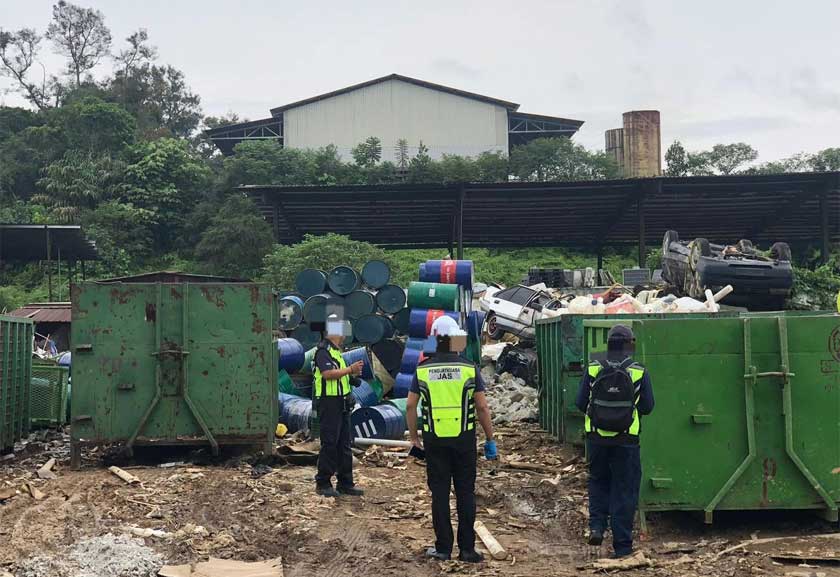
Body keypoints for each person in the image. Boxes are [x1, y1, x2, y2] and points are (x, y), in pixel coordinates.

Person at [406, 316, 497, 564]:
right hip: (464, 441)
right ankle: (467, 550)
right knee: (465, 493)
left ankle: (443, 548)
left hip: (435, 441)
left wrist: (415, 438)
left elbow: (411, 406)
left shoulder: (423, 370)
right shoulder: (469, 369)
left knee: (440, 494)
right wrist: (490, 438)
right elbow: (482, 407)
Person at [575, 324, 654, 558]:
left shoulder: (593, 367)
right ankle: (622, 546)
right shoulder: (638, 371)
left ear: (608, 343)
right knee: (625, 489)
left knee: (598, 481)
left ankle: (597, 527)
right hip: (627, 440)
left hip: (597, 438)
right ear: (630, 344)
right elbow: (648, 407)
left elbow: (580, 402)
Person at [313, 313, 365, 497]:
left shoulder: (337, 352)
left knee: (344, 444)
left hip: (342, 403)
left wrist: (352, 376)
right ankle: (323, 483)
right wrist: (350, 370)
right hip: (329, 403)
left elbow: (338, 374)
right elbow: (327, 373)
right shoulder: (322, 351)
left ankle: (345, 483)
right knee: (329, 443)